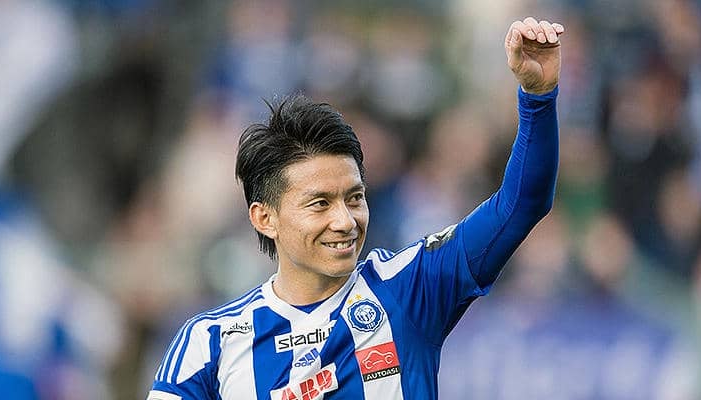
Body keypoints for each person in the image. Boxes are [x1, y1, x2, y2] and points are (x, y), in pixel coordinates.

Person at [147, 16, 564, 400]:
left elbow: (521, 204)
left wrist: (538, 97)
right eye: (320, 204)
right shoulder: (209, 343)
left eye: (355, 198)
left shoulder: (409, 289)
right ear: (264, 217)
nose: (345, 221)